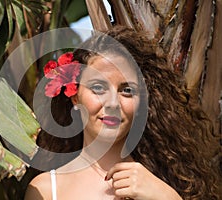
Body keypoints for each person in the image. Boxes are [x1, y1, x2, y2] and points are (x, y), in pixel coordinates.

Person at [23, 26, 219, 200]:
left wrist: (167, 197)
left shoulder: (166, 184)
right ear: (75, 96)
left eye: (127, 90)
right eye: (98, 87)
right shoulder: (47, 190)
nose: (113, 103)